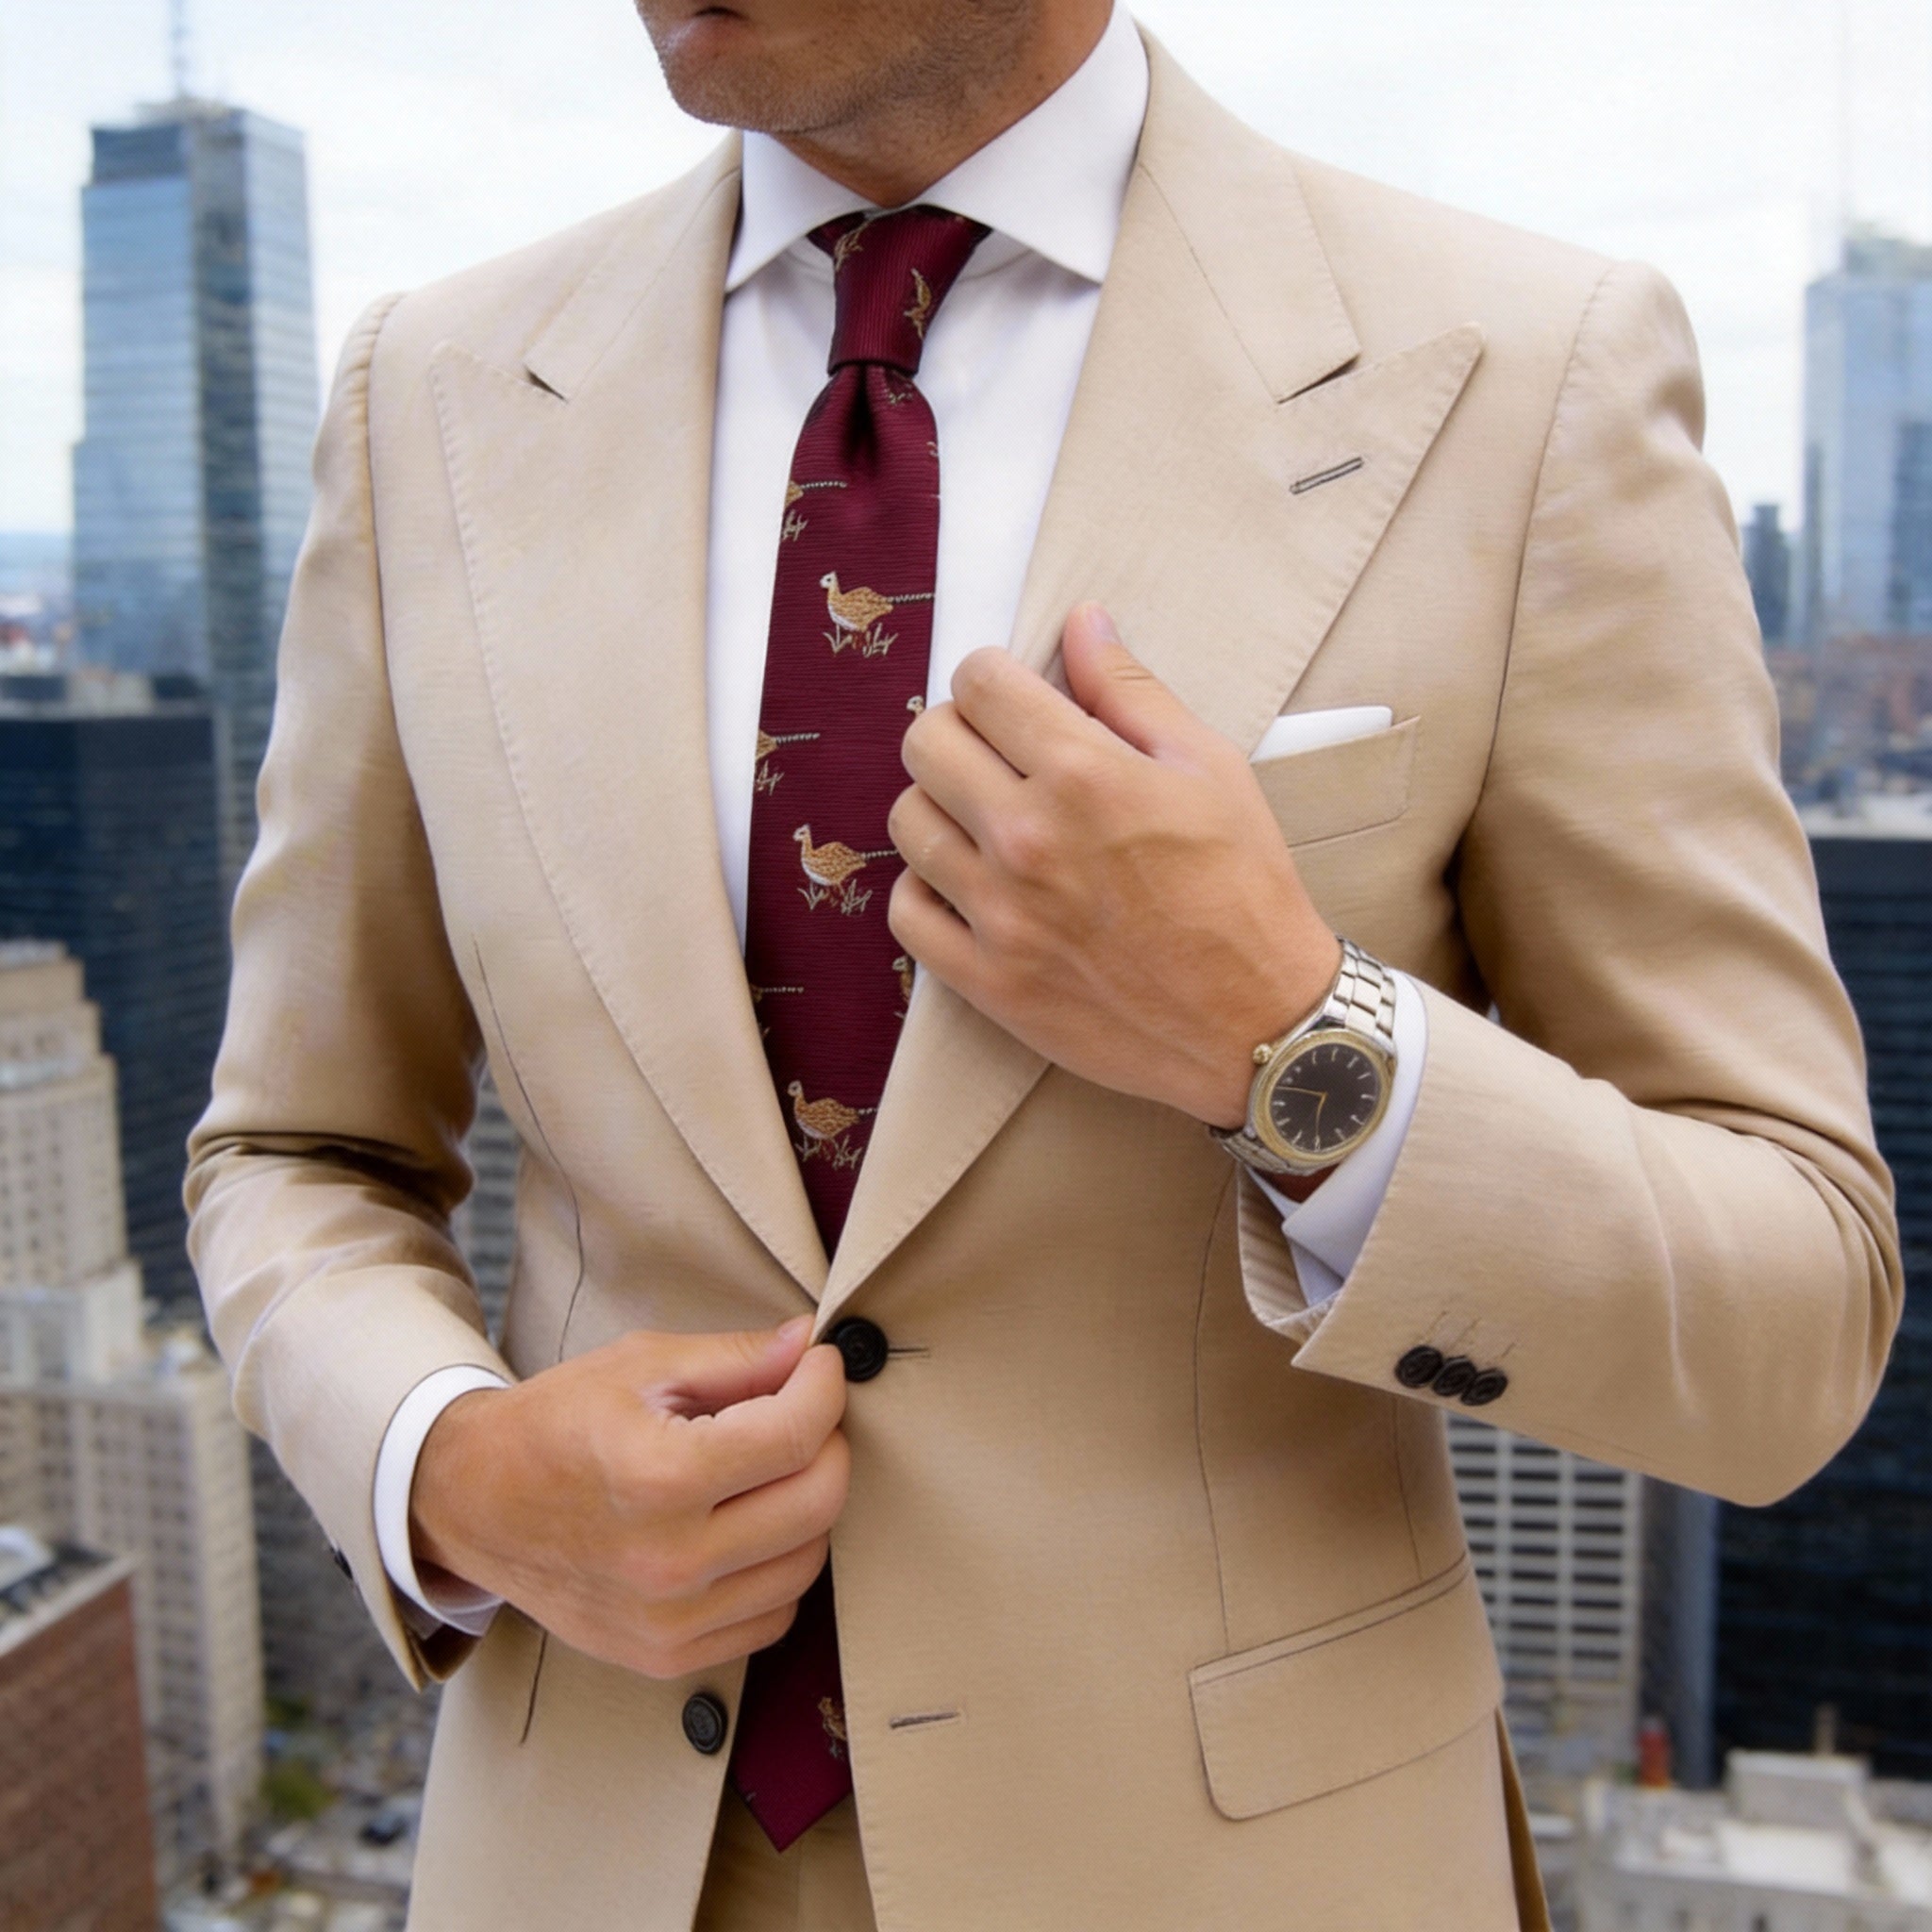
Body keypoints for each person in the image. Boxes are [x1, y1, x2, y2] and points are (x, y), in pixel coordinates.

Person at [185, 2, 1902, 1927]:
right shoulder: (427, 392)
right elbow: (294, 1155)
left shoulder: (1524, 374)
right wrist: (450, 1468)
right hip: (580, 1852)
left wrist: (1290, 1039)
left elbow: (1792, 1317)